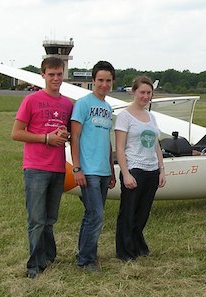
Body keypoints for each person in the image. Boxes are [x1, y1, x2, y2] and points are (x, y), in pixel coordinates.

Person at [11, 57, 73, 278]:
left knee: (50, 219)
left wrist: (63, 135)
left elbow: (68, 133)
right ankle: (34, 266)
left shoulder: (67, 104)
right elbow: (16, 133)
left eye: (59, 74)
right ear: (43, 75)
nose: (56, 78)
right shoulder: (31, 100)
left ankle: (49, 256)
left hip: (58, 168)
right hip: (36, 168)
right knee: (36, 219)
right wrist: (46, 138)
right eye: (51, 74)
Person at [70, 61, 116, 272]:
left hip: (104, 171)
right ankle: (85, 260)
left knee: (92, 215)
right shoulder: (83, 104)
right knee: (96, 214)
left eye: (108, 80)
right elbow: (75, 137)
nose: (104, 84)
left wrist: (111, 169)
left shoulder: (107, 108)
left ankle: (87, 254)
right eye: (100, 80)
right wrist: (77, 168)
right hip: (88, 171)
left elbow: (106, 140)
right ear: (93, 81)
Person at [115, 76, 166, 261]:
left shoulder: (151, 117)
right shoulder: (124, 116)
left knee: (143, 213)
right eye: (142, 92)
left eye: (148, 93)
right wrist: (126, 173)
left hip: (151, 170)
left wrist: (161, 169)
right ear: (133, 92)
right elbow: (120, 147)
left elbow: (156, 145)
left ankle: (137, 245)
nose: (145, 96)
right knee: (128, 212)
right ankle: (124, 251)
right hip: (134, 168)